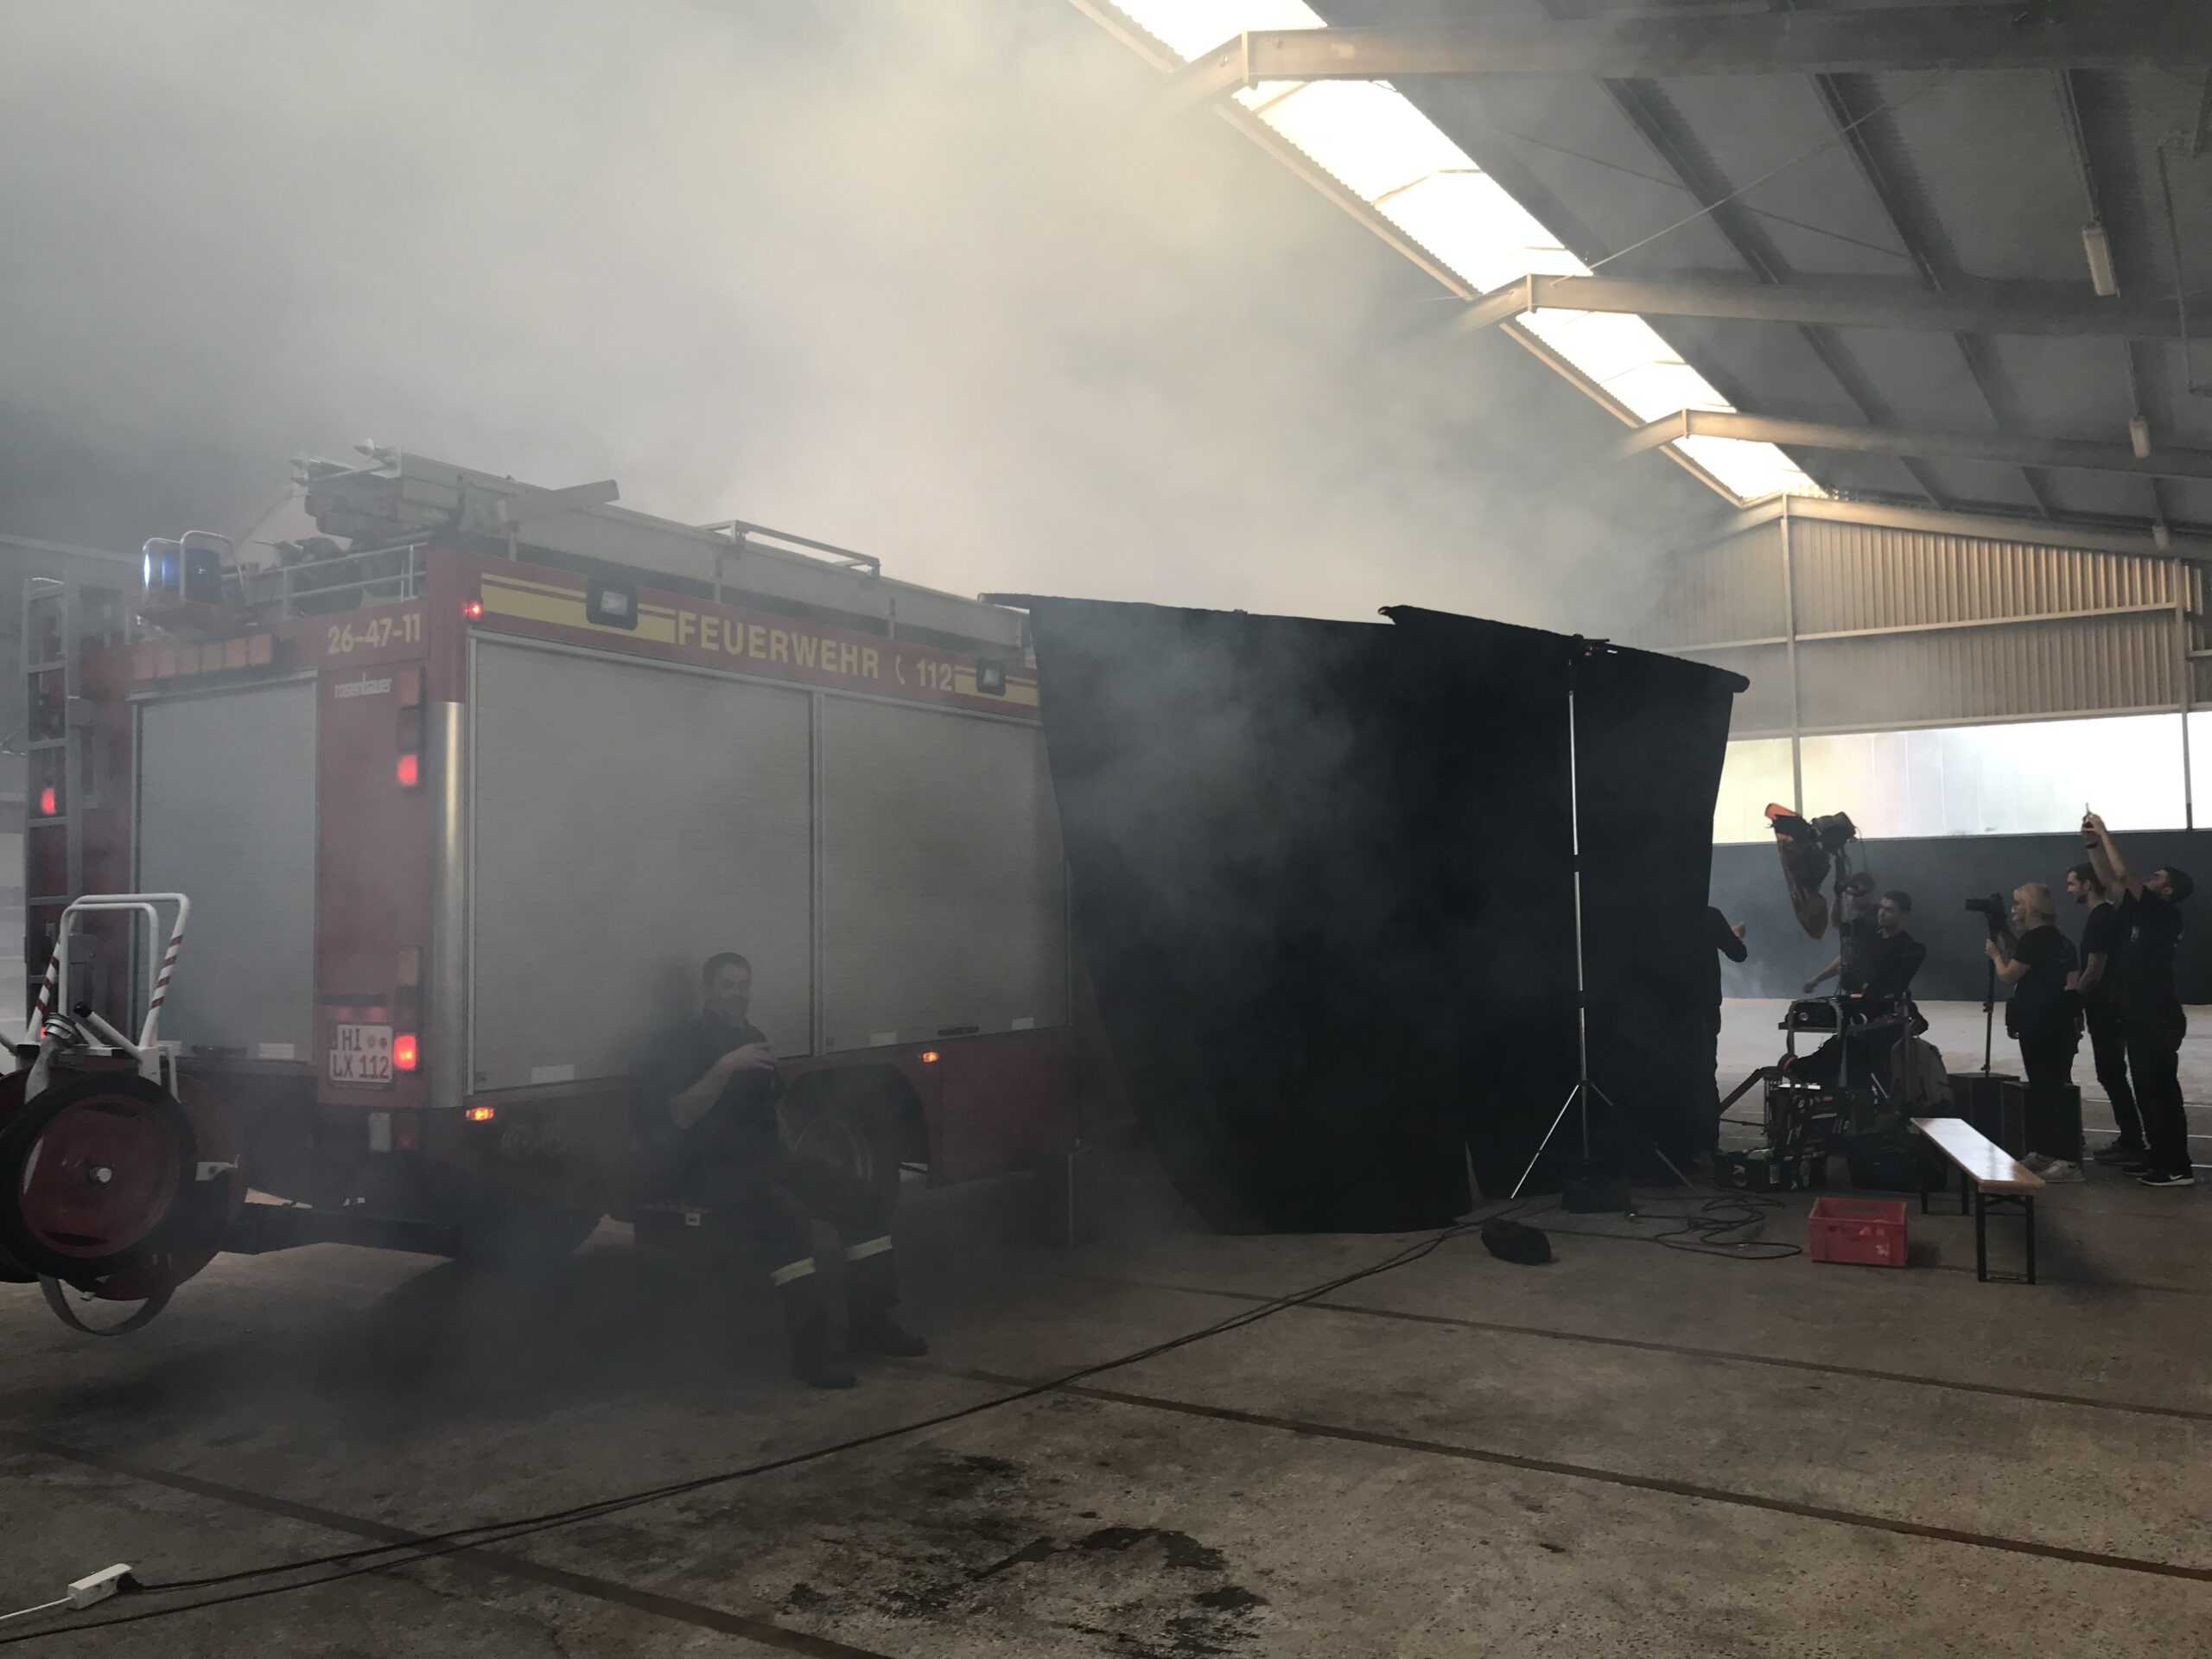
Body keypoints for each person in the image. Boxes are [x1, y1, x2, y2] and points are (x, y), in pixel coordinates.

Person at [639, 952, 927, 1386]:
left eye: (743, 985)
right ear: (708, 989)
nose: (737, 994)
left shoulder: (754, 1037)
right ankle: (811, 1355)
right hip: (711, 1169)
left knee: (862, 1201)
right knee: (789, 1221)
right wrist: (725, 1067)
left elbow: (770, 1106)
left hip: (767, 1160)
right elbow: (680, 1114)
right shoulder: (685, 1042)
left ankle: (872, 1323)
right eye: (727, 985)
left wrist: (793, 1157)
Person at [2080, 812, 2195, 1189]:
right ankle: (2158, 1156)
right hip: (2139, 1015)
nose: (2150, 878)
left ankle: (2176, 1167)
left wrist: (2104, 832)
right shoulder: (2138, 911)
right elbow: (2111, 881)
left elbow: (2124, 874)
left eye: (2158, 877)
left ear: (2168, 891)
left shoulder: (2163, 913)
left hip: (2157, 1016)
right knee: (2147, 1091)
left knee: (2160, 1093)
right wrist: (2092, 844)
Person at [1985, 882, 2082, 1179]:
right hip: (2059, 1022)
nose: (2014, 909)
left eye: (2018, 904)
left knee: (2046, 1089)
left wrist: (1994, 955)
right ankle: (2046, 1152)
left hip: (2039, 1022)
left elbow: (2008, 975)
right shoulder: (2062, 941)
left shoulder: (2033, 940)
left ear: (2032, 907)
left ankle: (2065, 1158)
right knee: (2051, 1086)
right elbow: (2072, 983)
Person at [2067, 861, 2142, 1165]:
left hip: (2107, 1009)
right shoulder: (2105, 916)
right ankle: (2131, 1138)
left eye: (2072, 883)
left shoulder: (2101, 918)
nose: (2069, 889)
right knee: (2112, 1073)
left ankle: (2133, 1141)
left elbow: (2094, 970)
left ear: (2087, 885)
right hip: (2109, 1006)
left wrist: (2073, 1001)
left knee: (2111, 1072)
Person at [1702, 906, 1747, 1151]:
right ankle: (1707, 1146)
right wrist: (1732, 935)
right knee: (1704, 1076)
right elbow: (1738, 953)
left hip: (1665, 1010)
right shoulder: (1709, 916)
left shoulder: (1658, 913)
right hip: (1703, 1010)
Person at [1802, 874, 1877, 995]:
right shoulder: (1853, 922)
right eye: (1849, 895)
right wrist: (1817, 979)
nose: (1851, 899)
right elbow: (1847, 956)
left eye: (1857, 895)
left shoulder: (1875, 919)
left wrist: (1817, 979)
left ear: (1870, 894)